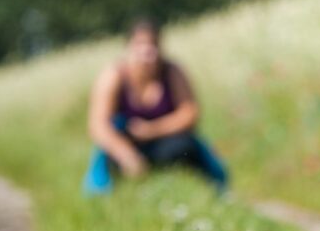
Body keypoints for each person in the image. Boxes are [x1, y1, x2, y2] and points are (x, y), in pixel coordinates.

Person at [82, 19, 228, 195]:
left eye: (152, 45)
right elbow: (98, 126)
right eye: (140, 45)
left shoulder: (172, 71)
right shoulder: (114, 76)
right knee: (111, 158)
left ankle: (206, 192)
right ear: (128, 47)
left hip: (164, 142)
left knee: (186, 147)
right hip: (125, 144)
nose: (146, 52)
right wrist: (126, 155)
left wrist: (152, 130)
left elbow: (190, 113)